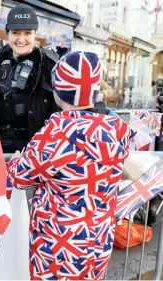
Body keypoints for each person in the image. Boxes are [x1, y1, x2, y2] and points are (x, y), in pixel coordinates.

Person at [7, 51, 135, 280]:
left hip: (57, 245)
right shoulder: (117, 131)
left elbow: (19, 175)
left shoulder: (56, 135)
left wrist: (17, 158)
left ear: (58, 91)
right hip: (98, 240)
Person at [0, 4, 59, 153]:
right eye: (15, 33)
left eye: (27, 33)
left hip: (33, 149)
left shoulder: (48, 64)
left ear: (34, 34)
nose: (21, 39)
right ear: (7, 34)